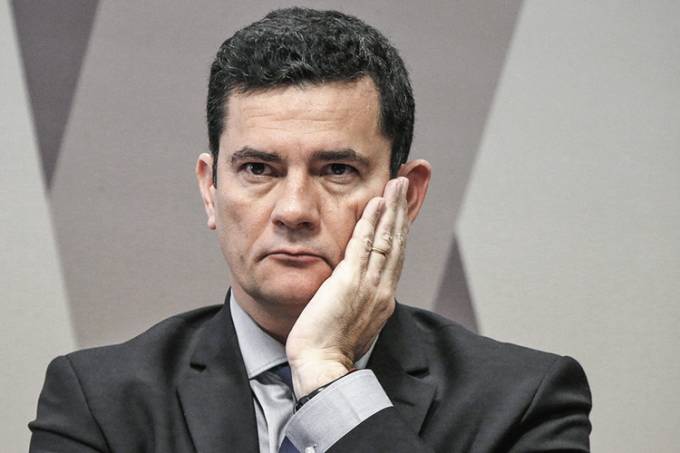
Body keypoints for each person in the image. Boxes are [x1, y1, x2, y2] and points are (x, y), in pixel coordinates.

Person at [29, 7, 592, 453]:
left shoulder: (524, 400)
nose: (294, 209)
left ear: (408, 195)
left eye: (337, 170)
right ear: (210, 189)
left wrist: (329, 377)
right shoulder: (98, 402)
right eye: (258, 169)